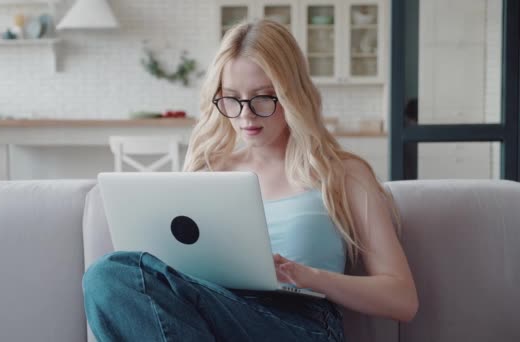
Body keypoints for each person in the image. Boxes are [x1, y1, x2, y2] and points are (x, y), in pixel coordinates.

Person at [83, 19, 418, 342]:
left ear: (291, 96)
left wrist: (306, 276)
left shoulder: (342, 173)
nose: (245, 114)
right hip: (213, 315)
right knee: (107, 277)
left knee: (112, 274)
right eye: (231, 98)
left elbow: (402, 299)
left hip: (302, 322)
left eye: (262, 97)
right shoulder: (208, 170)